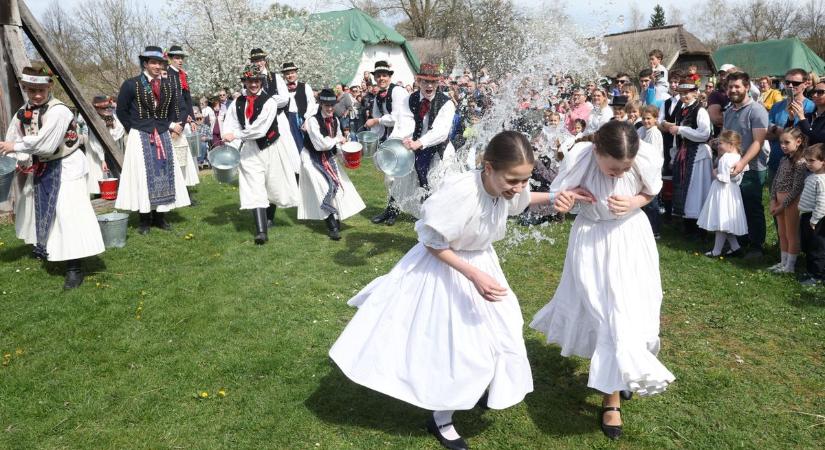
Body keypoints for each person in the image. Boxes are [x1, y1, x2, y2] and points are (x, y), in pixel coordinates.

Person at [330, 131, 549, 450]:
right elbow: (432, 241)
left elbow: (522, 201)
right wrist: (473, 275)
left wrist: (558, 195)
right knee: (456, 347)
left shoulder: (507, 188)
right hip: (447, 268)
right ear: (488, 167)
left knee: (505, 330)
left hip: (481, 265)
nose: (518, 188)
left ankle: (477, 389)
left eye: (524, 180)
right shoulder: (461, 192)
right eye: (513, 180)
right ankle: (441, 417)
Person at [530, 121, 673, 441]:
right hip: (592, 241)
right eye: (613, 169)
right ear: (597, 151)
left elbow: (650, 191)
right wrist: (564, 202)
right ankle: (612, 399)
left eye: (625, 168)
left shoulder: (642, 159)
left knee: (632, 312)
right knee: (608, 317)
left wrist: (634, 202)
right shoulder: (581, 156)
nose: (619, 174)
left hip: (631, 240)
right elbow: (561, 198)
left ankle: (621, 373)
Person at [0, 66, 105, 289]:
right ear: (26, 89)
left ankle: (75, 267)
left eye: (41, 90)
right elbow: (13, 136)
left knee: (69, 214)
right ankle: (51, 250)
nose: (37, 95)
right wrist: (18, 156)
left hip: (66, 166)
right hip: (43, 168)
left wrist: (16, 146)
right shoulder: (23, 111)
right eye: (31, 91)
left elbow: (46, 145)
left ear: (50, 87)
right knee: (43, 211)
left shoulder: (60, 111)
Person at [221, 65, 302, 245]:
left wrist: (236, 135)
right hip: (249, 150)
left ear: (261, 82)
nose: (254, 84)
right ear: (245, 82)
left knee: (272, 184)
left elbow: (260, 129)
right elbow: (230, 123)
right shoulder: (237, 102)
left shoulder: (270, 102)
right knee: (254, 186)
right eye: (250, 81)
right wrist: (228, 137)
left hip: (271, 146)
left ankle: (269, 218)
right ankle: (261, 231)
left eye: (257, 81)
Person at [115, 45, 190, 234]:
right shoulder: (131, 84)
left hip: (163, 135)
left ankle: (160, 217)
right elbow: (121, 111)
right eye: (153, 62)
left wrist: (173, 125)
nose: (157, 66)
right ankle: (144, 220)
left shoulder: (169, 84)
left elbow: (176, 107)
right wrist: (135, 127)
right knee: (142, 175)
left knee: (165, 173)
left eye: (160, 63)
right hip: (140, 135)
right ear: (145, 64)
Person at [389, 63, 459, 218]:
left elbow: (441, 132)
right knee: (402, 179)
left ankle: (440, 219)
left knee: (439, 186)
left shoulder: (446, 103)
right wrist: (403, 139)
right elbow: (406, 122)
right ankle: (395, 211)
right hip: (417, 148)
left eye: (433, 82)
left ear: (437, 83)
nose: (429, 85)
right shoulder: (410, 99)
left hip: (439, 150)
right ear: (418, 81)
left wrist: (419, 143)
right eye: (425, 81)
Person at [297, 89, 365, 240]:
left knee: (339, 185)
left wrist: (344, 154)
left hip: (327, 157)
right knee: (323, 187)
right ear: (320, 104)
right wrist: (337, 140)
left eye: (332, 105)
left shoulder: (335, 120)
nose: (329, 108)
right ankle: (332, 225)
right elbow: (320, 145)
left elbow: (339, 138)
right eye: (326, 105)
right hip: (311, 157)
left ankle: (335, 215)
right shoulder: (313, 121)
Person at [724, 72, 770, 257]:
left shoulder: (756, 110)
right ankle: (740, 242)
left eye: (737, 86)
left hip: (752, 167)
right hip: (733, 167)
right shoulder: (729, 111)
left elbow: (758, 141)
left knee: (752, 206)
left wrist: (743, 162)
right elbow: (727, 139)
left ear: (747, 87)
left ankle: (757, 245)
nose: (733, 90)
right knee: (736, 205)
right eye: (730, 87)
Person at [365, 60, 414, 226]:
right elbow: (376, 122)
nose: (381, 78)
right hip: (389, 141)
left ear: (389, 76)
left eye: (384, 75)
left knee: (395, 177)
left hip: (401, 138)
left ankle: (393, 210)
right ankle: (392, 209)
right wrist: (373, 142)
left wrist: (377, 120)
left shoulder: (398, 92)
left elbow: (395, 118)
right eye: (378, 76)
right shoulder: (378, 96)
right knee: (389, 178)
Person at [662, 83, 713, 238]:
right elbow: (679, 136)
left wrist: (681, 129)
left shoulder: (700, 110)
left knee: (696, 190)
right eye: (682, 93)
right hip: (684, 151)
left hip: (698, 154)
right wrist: (674, 153)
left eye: (688, 93)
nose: (684, 96)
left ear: (695, 93)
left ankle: (699, 228)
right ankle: (687, 224)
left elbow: (704, 133)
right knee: (685, 187)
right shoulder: (681, 109)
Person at [249, 48, 302, 180]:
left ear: (265, 61)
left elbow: (284, 99)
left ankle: (294, 177)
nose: (258, 63)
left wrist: (266, 102)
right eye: (255, 60)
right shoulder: (249, 81)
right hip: (261, 122)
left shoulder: (276, 77)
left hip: (279, 119)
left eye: (260, 60)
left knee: (286, 147)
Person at [697, 130, 748, 257]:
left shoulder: (726, 158)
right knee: (725, 221)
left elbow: (724, 178)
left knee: (721, 221)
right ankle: (736, 248)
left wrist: (714, 173)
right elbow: (736, 178)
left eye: (721, 143)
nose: (719, 146)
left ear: (731, 144)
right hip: (733, 191)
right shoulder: (739, 158)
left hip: (723, 191)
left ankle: (716, 251)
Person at [766, 128, 808, 272]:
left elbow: (797, 188)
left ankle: (790, 265)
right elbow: (776, 180)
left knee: (791, 233)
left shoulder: (801, 163)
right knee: (782, 233)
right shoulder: (783, 159)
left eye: (787, 142)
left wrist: (782, 205)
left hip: (791, 202)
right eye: (781, 142)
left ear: (798, 142)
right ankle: (783, 262)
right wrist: (772, 200)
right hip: (778, 200)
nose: (783, 145)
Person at [766, 69, 815, 186]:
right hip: (776, 162)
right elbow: (766, 134)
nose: (791, 86)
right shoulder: (777, 106)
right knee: (775, 200)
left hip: (801, 165)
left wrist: (776, 129)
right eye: (787, 82)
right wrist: (777, 131)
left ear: (805, 84)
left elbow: (809, 137)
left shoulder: (812, 107)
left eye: (796, 83)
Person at [166, 45, 200, 197]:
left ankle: (184, 191)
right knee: (174, 157)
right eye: (177, 58)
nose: (180, 61)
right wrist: (173, 123)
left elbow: (187, 99)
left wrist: (191, 118)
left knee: (183, 157)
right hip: (172, 121)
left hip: (183, 118)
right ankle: (176, 191)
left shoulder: (182, 75)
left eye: (181, 58)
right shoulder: (166, 75)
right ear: (170, 59)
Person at [85, 95, 124, 195]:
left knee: (116, 169)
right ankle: (103, 191)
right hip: (98, 150)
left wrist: (111, 132)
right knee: (101, 171)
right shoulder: (94, 121)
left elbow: (119, 130)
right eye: (104, 108)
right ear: (97, 109)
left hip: (112, 148)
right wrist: (102, 159)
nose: (107, 109)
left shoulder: (112, 116)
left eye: (109, 107)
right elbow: (95, 142)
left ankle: (118, 189)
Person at [799, 143, 825, 285]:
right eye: (807, 160)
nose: (808, 164)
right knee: (808, 245)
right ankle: (810, 272)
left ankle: (817, 275)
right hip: (807, 216)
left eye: (812, 161)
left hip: (817, 219)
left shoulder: (822, 180)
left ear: (823, 161)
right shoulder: (812, 177)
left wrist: (814, 220)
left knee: (817, 247)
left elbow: (822, 203)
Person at [281, 62, 317, 152]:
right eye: (287, 74)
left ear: (296, 73)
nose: (290, 75)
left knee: (308, 144)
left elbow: (311, 104)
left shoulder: (305, 87)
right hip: (288, 119)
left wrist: (307, 120)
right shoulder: (282, 89)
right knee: (292, 145)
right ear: (284, 76)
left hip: (303, 117)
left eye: (292, 73)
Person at [798, 80, 825, 146]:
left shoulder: (804, 118)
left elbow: (818, 140)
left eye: (820, 92)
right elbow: (793, 137)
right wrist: (791, 119)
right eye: (813, 92)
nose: (815, 95)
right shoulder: (808, 116)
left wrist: (802, 119)